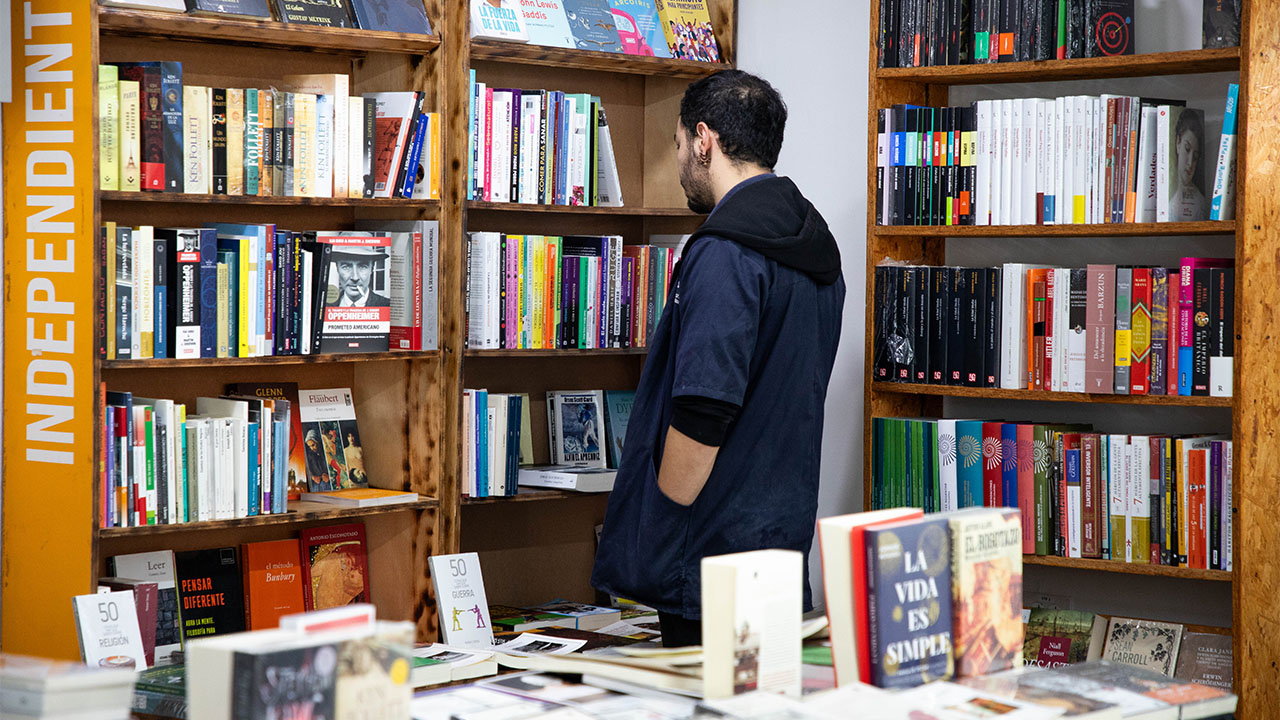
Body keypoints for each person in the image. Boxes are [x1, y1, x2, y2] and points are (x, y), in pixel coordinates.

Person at [591, 70, 845, 647]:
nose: (679, 158)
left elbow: (705, 407)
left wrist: (662, 516)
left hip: (707, 561)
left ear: (704, 139)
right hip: (778, 548)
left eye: (679, 144)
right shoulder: (817, 252)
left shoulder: (725, 252)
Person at [1169, 109, 1208, 221]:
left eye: (1195, 157)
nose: (1190, 163)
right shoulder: (1170, 199)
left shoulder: (1199, 204)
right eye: (1187, 149)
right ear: (1178, 143)